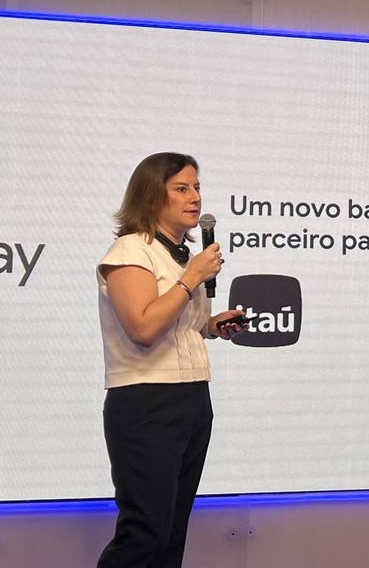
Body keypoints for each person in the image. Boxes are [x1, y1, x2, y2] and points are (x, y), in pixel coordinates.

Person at [95, 152, 247, 568]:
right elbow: (143, 328)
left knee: (171, 530)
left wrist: (211, 326)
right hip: (146, 401)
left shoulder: (181, 254)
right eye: (181, 188)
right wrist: (191, 277)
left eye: (196, 187)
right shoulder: (130, 250)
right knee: (144, 532)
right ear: (151, 196)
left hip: (192, 398)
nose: (194, 197)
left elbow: (178, 325)